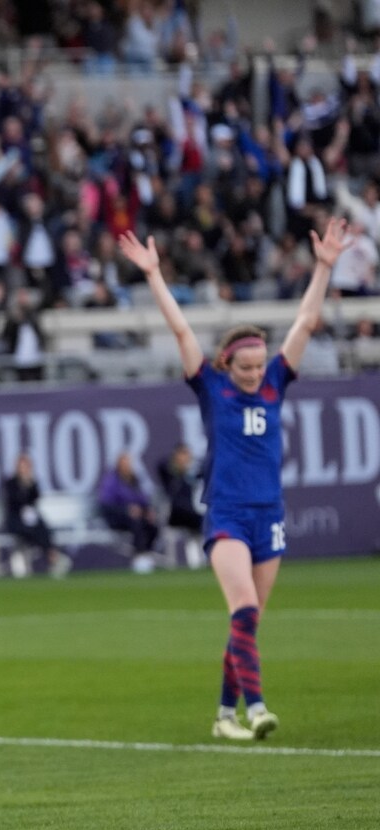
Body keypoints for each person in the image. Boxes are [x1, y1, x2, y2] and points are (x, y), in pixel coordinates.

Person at [119, 220, 348, 741]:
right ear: (228, 362)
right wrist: (155, 276)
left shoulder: (274, 383)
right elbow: (180, 331)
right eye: (244, 366)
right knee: (243, 609)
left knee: (248, 623)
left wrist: (324, 267)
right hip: (226, 514)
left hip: (269, 516)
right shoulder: (211, 387)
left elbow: (306, 323)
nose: (252, 373)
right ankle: (258, 706)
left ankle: (224, 716)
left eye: (257, 364)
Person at [2, 453, 71, 578]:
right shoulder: (10, 483)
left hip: (30, 520)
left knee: (41, 528)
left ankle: (52, 556)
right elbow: (14, 502)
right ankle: (52, 557)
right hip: (15, 519)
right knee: (30, 529)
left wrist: (29, 484)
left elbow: (34, 500)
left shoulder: (32, 483)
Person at [97, 452, 160, 570]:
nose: (127, 467)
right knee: (136, 522)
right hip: (116, 518)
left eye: (128, 464)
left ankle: (147, 554)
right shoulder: (111, 481)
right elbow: (106, 505)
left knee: (152, 525)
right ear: (118, 465)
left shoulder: (133, 479)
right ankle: (139, 556)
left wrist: (148, 510)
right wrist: (126, 510)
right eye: (124, 464)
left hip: (135, 516)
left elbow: (141, 499)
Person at [157, 442, 205, 569]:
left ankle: (198, 560)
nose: (186, 457)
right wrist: (178, 466)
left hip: (191, 511)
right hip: (175, 513)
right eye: (183, 454)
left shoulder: (193, 473)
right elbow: (160, 466)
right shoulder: (170, 472)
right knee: (199, 520)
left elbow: (203, 473)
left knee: (201, 521)